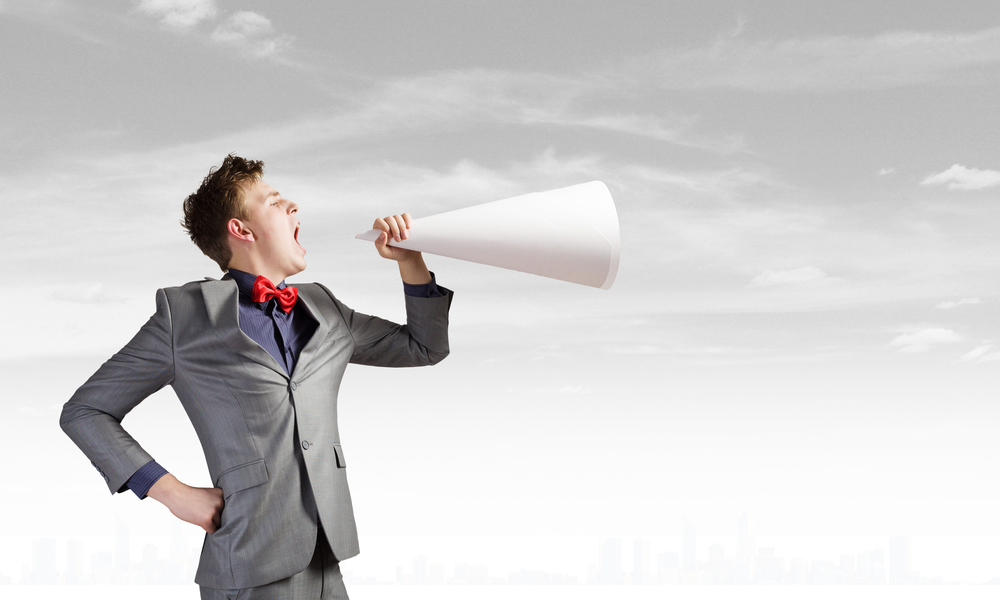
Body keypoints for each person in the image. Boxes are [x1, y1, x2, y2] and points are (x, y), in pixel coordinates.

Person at [59, 155, 453, 599]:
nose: (292, 206)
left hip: (329, 557)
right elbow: (85, 410)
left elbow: (425, 346)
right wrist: (172, 493)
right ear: (241, 230)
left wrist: (410, 262)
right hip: (248, 564)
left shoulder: (325, 307)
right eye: (274, 201)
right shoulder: (185, 316)